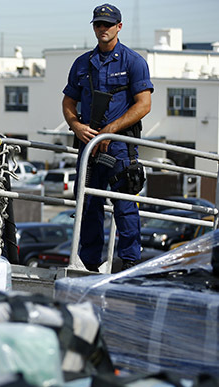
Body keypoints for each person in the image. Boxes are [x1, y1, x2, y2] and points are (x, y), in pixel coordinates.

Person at [62, 3, 153, 271]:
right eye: (98, 24)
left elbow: (143, 105)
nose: (103, 29)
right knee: (88, 204)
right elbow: (68, 101)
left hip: (121, 148)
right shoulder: (82, 63)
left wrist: (110, 130)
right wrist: (76, 126)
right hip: (89, 146)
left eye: (108, 25)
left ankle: (129, 265)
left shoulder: (133, 62)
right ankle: (89, 264)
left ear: (119, 27)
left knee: (125, 205)